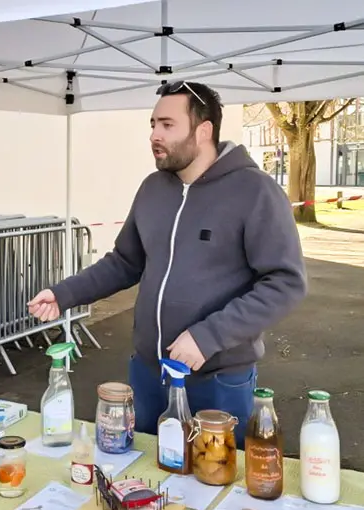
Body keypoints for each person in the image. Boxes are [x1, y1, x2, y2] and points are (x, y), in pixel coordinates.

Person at [28, 81, 307, 447]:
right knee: (143, 468)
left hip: (217, 378)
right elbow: (124, 262)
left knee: (214, 476)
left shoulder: (255, 191)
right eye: (153, 124)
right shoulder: (152, 189)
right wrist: (64, 293)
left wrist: (208, 337)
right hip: (148, 373)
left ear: (203, 130)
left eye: (167, 125)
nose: (154, 135)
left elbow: (285, 283)